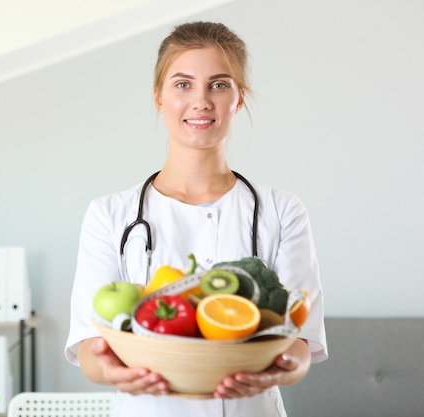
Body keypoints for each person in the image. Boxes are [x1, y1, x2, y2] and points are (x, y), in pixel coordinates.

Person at [64, 21, 327, 417]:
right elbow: (88, 345)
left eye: (219, 85)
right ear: (158, 97)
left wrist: (278, 372)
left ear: (239, 99)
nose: (201, 101)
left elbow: (300, 343)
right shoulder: (110, 215)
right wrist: (113, 371)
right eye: (183, 84)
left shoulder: (282, 211)